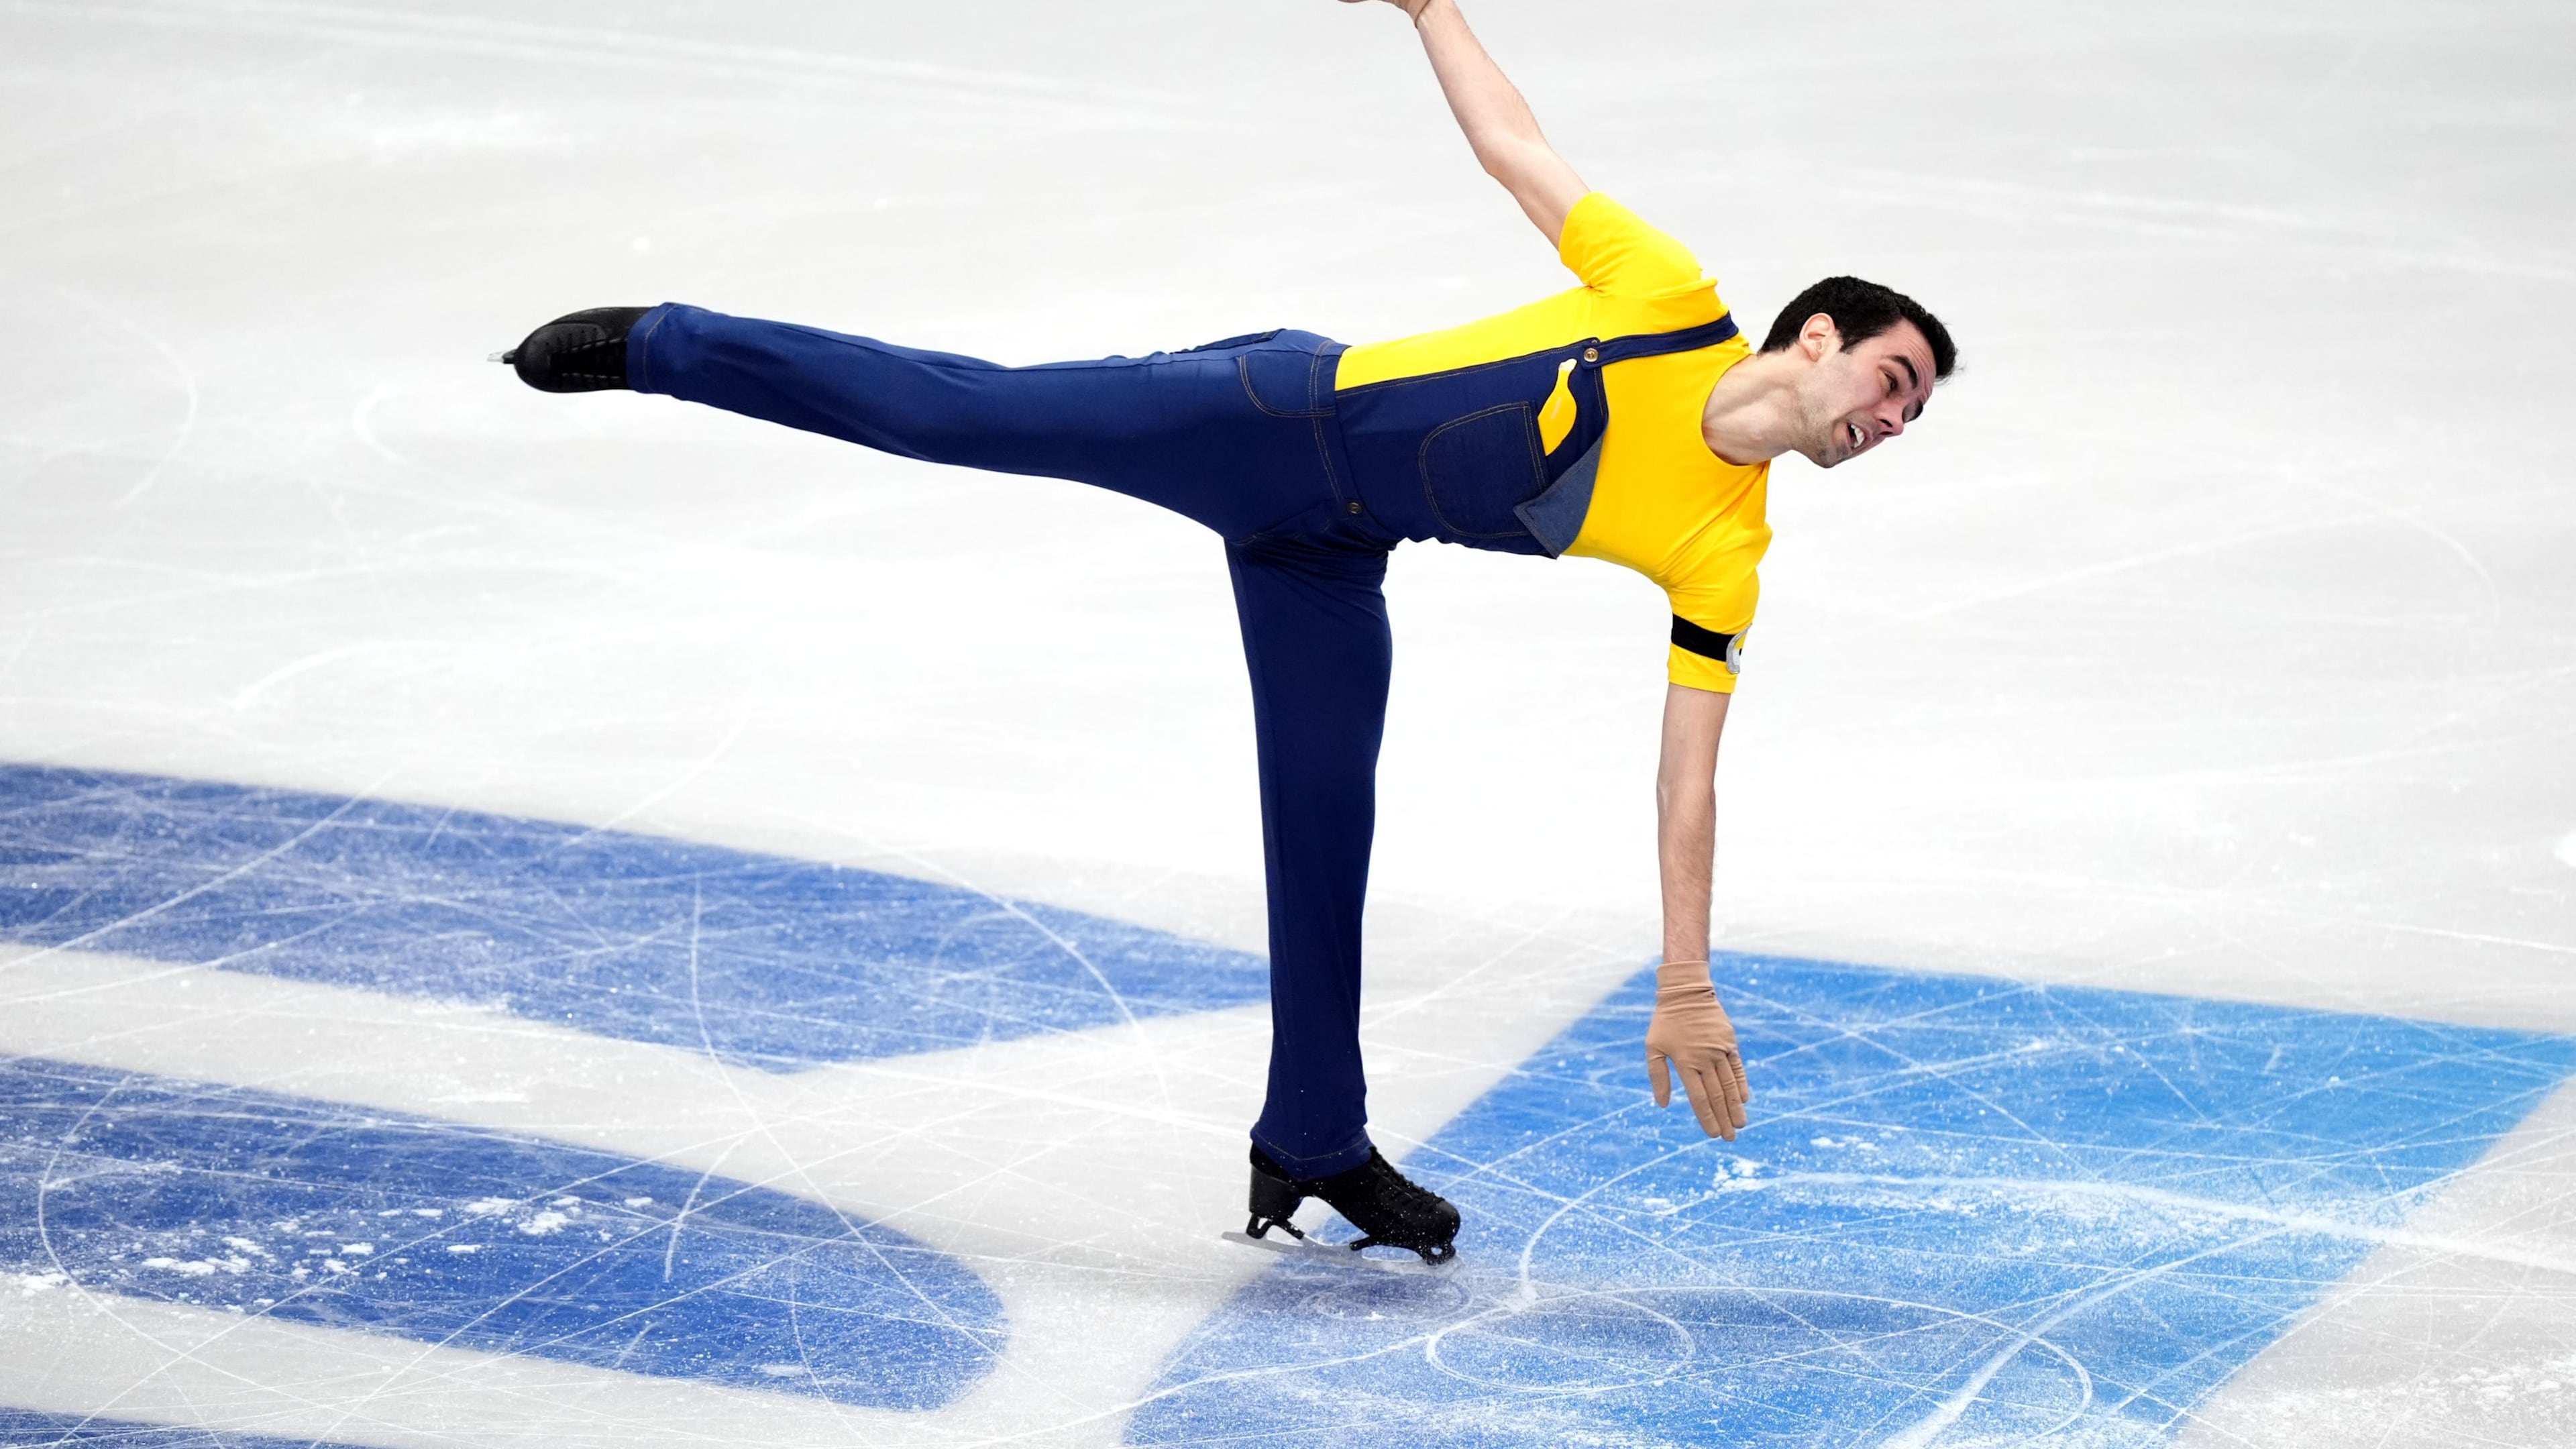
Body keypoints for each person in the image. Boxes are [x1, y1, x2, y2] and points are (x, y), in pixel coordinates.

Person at [496, 0, 1954, 1267]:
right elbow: (1519, 153)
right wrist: (1426, 2)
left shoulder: (1729, 552)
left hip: (1329, 557)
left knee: (1327, 829)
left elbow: (1686, 777)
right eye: (1893, 377)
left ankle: (1312, 1138)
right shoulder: (1667, 298)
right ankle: (663, 345)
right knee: (969, 410)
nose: (1891, 420)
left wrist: (1684, 972)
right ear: (1816, 332)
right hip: (1257, 416)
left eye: (1913, 415)